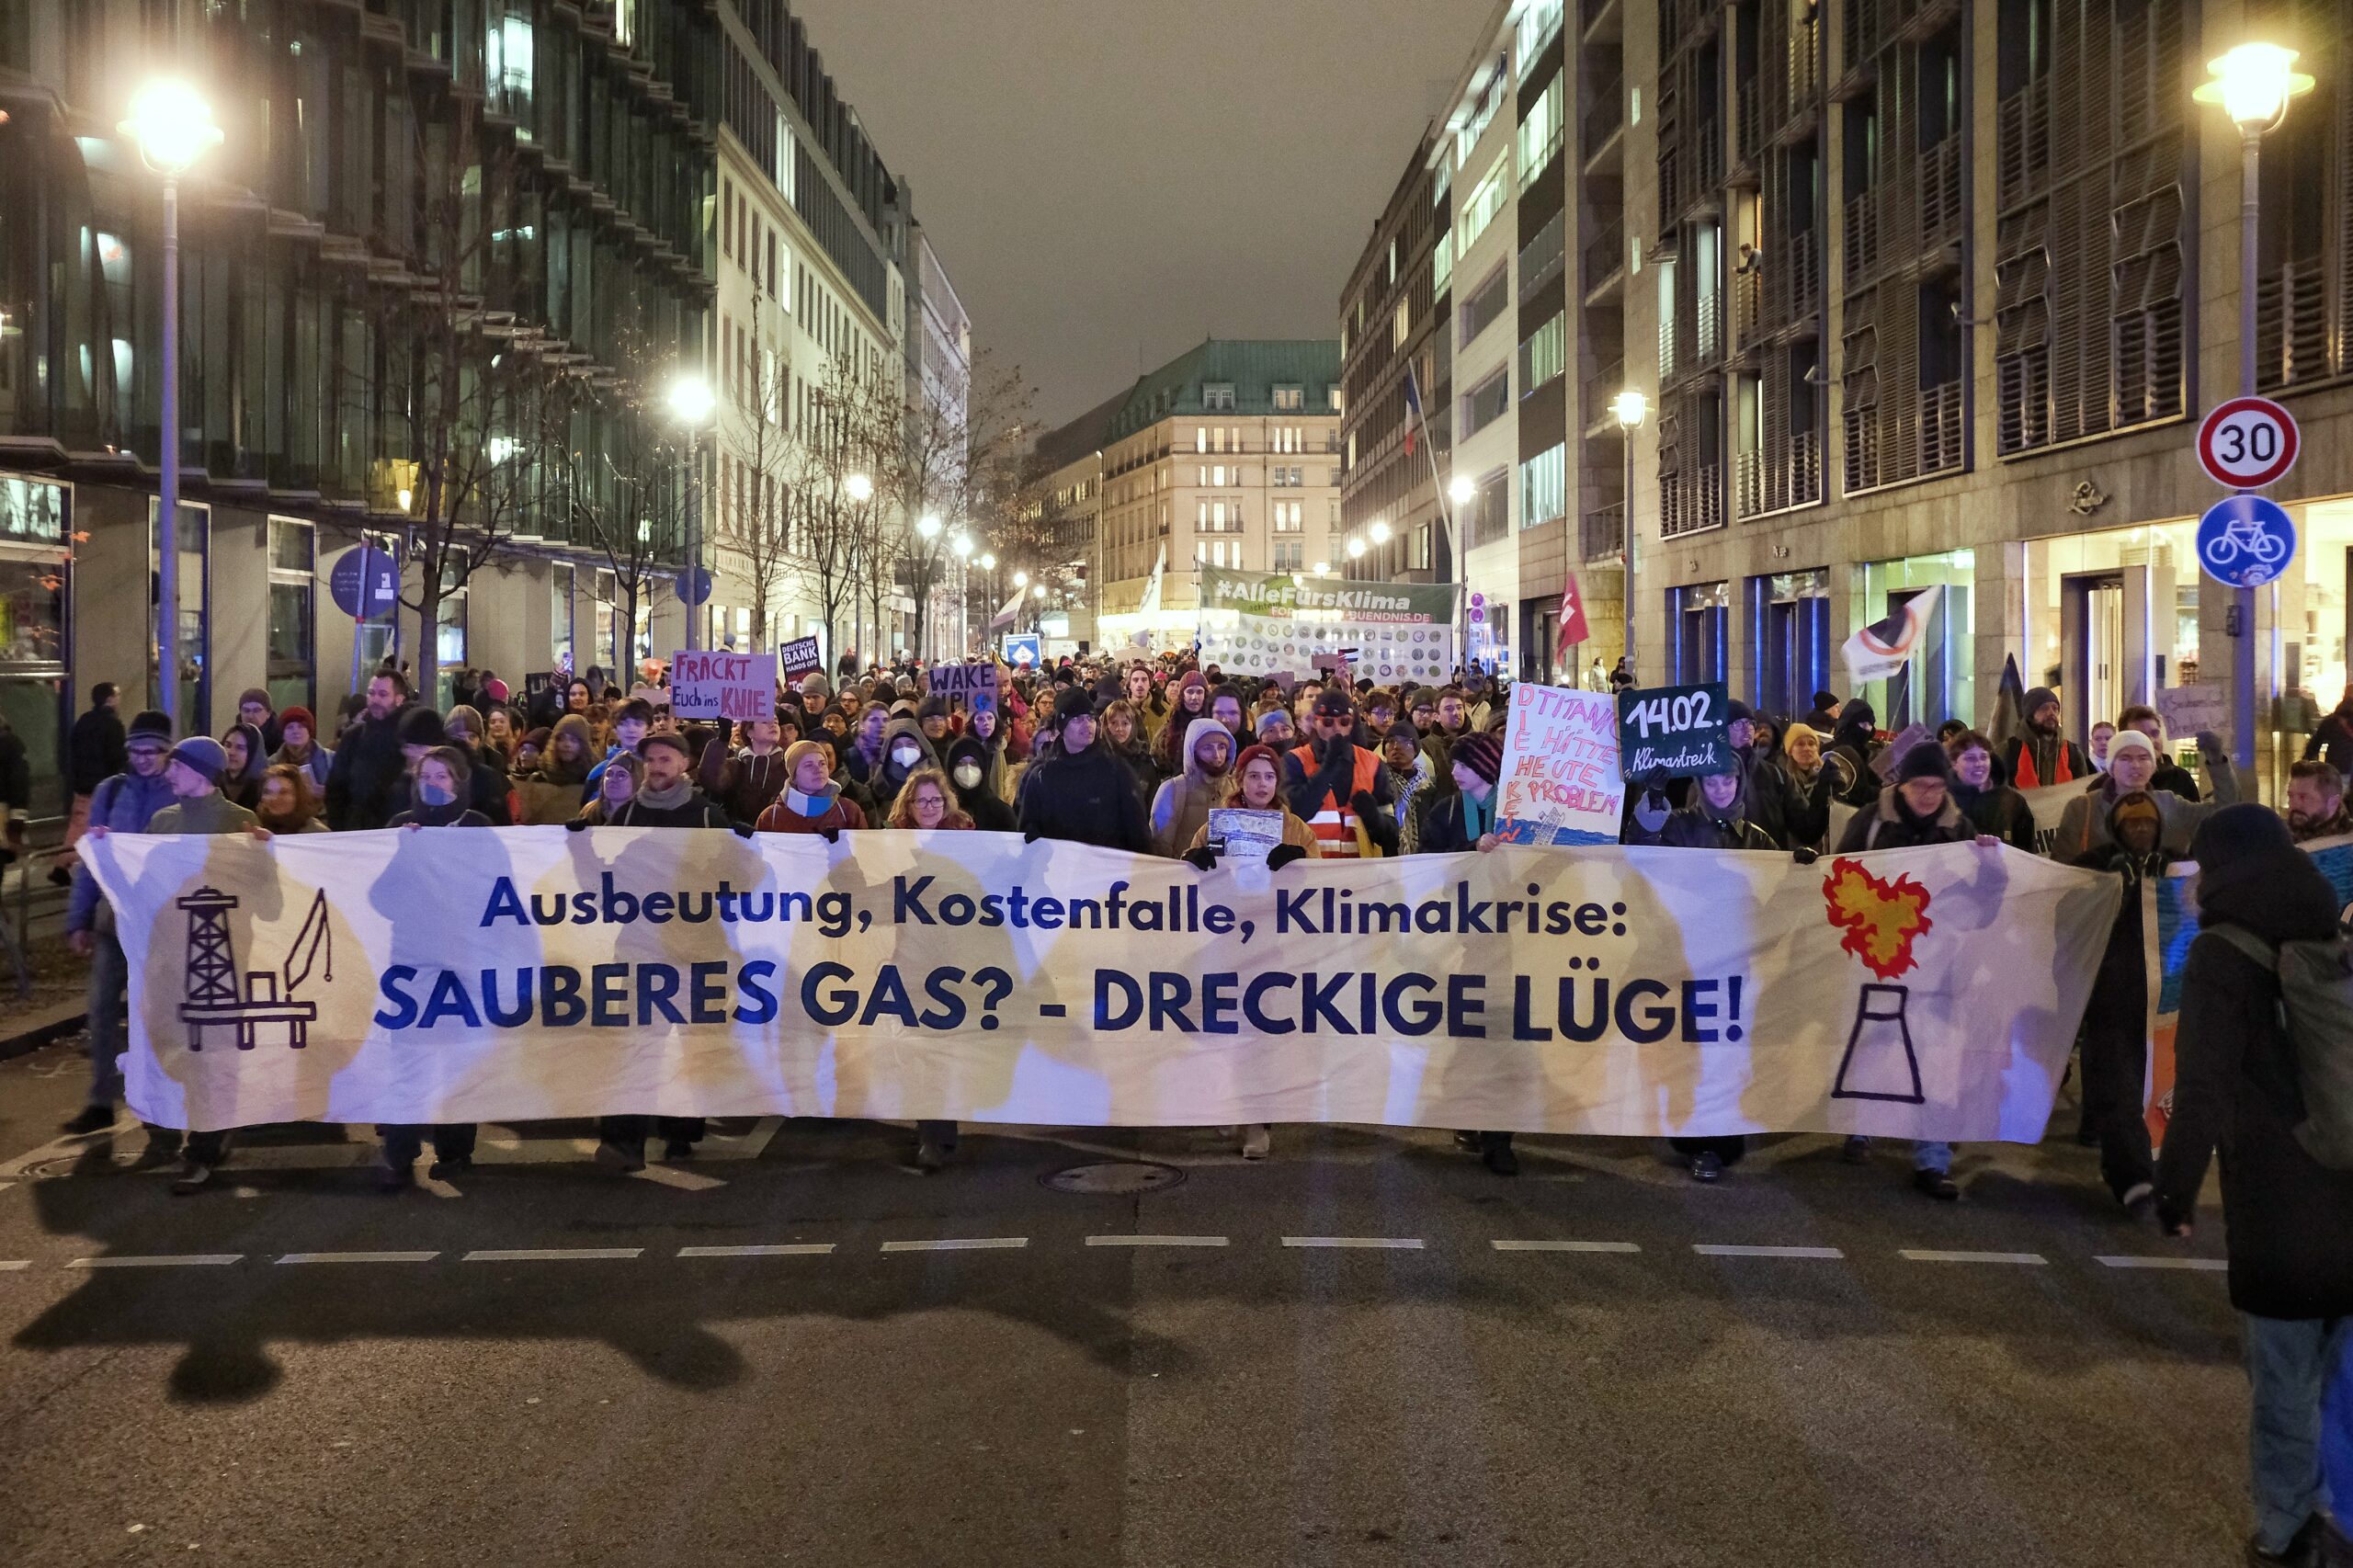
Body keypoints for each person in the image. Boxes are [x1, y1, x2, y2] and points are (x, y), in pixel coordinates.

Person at [2156, 805, 2353, 1568]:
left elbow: (2201, 1087)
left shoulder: (2221, 951)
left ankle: (2285, 1530)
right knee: (2345, 1377)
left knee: (2283, 1378)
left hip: (2280, 1193)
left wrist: (2173, 1194)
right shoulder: (2331, 934)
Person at [1835, 743, 1995, 1200]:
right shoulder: (1870, 821)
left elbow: (1982, 904)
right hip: (1880, 955)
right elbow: (1842, 878)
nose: (1929, 795)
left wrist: (1991, 867)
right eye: (1920, 785)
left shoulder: (1960, 827)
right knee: (1873, 1041)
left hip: (1937, 957)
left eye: (1938, 786)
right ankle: (1862, 1125)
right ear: (1900, 785)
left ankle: (1932, 1156)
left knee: (1936, 1054)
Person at [113, 736, 265, 1194]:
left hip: (224, 958)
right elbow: (145, 884)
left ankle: (203, 1145)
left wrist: (265, 854)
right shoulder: (163, 821)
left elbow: (260, 894)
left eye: (175, 765)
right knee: (173, 1045)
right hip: (170, 956)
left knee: (213, 1052)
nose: (166, 772)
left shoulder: (238, 822)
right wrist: (109, 853)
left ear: (200, 772)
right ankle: (190, 1125)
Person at [585, 732, 728, 1172]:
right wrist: (578, 844)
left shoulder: (706, 816)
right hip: (638, 945)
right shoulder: (626, 814)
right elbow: (600, 874)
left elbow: (736, 876)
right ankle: (622, 1141)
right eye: (651, 760)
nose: (657, 767)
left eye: (666, 758)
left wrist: (742, 846)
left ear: (684, 764)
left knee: (689, 1040)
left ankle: (680, 1129)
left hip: (692, 948)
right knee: (632, 1042)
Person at [372, 745, 490, 1187]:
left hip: (462, 962)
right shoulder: (401, 828)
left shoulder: (478, 828)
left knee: (457, 1059)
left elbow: (496, 891)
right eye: (426, 776)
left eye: (442, 776)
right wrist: (407, 853)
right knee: (408, 1058)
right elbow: (378, 899)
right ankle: (399, 1152)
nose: (433, 784)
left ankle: (456, 1151)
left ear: (459, 783)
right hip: (411, 964)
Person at [61, 710, 179, 1145]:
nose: (144, 759)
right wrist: (78, 920)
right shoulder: (112, 792)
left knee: (154, 1015)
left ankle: (158, 1102)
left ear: (168, 752)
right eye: (136, 750)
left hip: (162, 927)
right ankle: (100, 1100)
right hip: (114, 921)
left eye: (152, 751)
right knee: (101, 1007)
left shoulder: (180, 790)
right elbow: (94, 862)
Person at [1659, 765, 1779, 1183]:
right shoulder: (1679, 825)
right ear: (1699, 786)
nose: (1722, 789)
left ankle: (1716, 1140)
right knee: (1691, 1049)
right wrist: (1654, 798)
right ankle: (1695, 1137)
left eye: (1729, 781)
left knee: (1725, 1054)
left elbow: (1778, 895)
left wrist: (1800, 868)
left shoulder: (1757, 838)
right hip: (1688, 956)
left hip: (1734, 962)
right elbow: (1645, 855)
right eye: (1712, 782)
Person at [1417, 733, 1517, 1175]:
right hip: (1462, 936)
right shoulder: (1445, 811)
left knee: (1504, 1036)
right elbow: (1425, 863)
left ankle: (1499, 1136)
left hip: (1516, 936)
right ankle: (1468, 1119)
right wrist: (1467, 852)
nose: (1453, 771)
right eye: (1453, 764)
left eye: (1463, 764)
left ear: (1485, 766)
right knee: (1467, 1031)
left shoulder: (1519, 811)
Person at [2068, 790, 2166, 1216]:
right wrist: (2114, 891)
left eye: (2149, 823)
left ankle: (2149, 1171)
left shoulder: (2174, 865)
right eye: (2133, 824)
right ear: (2118, 828)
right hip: (2110, 1002)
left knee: (2157, 1096)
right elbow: (2069, 917)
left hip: (2162, 1007)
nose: (2142, 830)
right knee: (2118, 1096)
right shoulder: (2095, 866)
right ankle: (2133, 1179)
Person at [2050, 729, 2237, 862]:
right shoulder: (2082, 808)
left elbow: (2225, 811)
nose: (2135, 765)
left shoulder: (2171, 804)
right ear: (2111, 766)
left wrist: (2216, 760)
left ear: (2153, 765)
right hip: (2104, 909)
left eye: (2143, 758)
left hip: (2161, 907)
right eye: (2125, 758)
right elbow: (2063, 867)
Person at [1016, 688, 1151, 852]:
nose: (1087, 724)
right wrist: (1033, 835)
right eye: (1077, 719)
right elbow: (1026, 826)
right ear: (1062, 727)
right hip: (1059, 869)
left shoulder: (1117, 771)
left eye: (1090, 718)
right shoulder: (1043, 776)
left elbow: (1138, 833)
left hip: (1105, 872)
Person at [1283, 687, 1395, 858]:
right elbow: (1294, 815)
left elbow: (1392, 836)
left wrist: (1374, 817)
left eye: (1344, 722)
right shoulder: (1295, 760)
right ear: (1315, 722)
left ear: (1351, 724)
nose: (1336, 728)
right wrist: (1327, 769)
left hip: (1360, 874)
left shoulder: (1372, 763)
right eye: (1328, 722)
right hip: (1312, 871)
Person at [325, 669, 412, 830]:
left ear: (399, 699)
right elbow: (336, 787)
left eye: (383, 694)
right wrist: (340, 828)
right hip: (357, 831)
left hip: (397, 830)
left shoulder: (409, 738)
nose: (375, 699)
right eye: (371, 693)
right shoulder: (353, 736)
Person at [60, 682, 126, 880]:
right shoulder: (113, 724)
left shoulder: (84, 720)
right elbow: (117, 757)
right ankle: (68, 866)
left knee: (78, 823)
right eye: (117, 695)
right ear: (110, 699)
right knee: (96, 826)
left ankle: (63, 864)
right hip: (102, 785)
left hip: (82, 784)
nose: (119, 700)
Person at [1150, 717, 1234, 858]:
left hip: (1223, 877)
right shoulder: (1173, 790)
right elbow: (1160, 848)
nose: (1217, 755)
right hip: (1182, 876)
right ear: (1192, 751)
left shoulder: (1235, 787)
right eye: (1207, 748)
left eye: (1221, 747)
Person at [753, 740, 869, 835]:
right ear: (794, 775)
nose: (818, 769)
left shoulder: (848, 811)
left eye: (822, 763)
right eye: (809, 765)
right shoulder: (771, 817)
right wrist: (746, 841)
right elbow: (758, 859)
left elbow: (865, 853)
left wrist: (844, 845)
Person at [1947, 730, 2036, 851]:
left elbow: (2026, 855)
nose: (1979, 764)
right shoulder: (1944, 800)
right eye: (1970, 758)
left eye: (1984, 757)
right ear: (1954, 763)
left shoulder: (2013, 802)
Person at [699, 714, 790, 825]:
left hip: (776, 836)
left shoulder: (788, 768)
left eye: (776, 722)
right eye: (765, 722)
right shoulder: (735, 766)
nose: (773, 725)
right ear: (749, 731)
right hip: (735, 835)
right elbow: (710, 780)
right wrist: (722, 739)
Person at [2002, 686, 2091, 790]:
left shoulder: (2073, 752)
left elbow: (2082, 792)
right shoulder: (2009, 750)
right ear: (2030, 715)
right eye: (2044, 708)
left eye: (2055, 708)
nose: (2051, 713)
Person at [516, 714, 596, 824]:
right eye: (561, 739)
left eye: (573, 740)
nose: (567, 744)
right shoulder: (539, 779)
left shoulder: (593, 780)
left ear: (584, 744)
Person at [2115, 704, 2200, 801]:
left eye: (2155, 733)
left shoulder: (2181, 778)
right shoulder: (2109, 783)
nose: (2151, 741)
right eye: (2142, 736)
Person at [1776, 722, 1836, 852]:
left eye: (1811, 743)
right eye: (1800, 744)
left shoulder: (1828, 776)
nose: (1807, 748)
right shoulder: (1785, 781)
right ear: (1790, 750)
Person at [582, 698, 654, 800]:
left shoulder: (656, 768)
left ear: (650, 727)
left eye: (638, 724)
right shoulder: (601, 771)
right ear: (614, 728)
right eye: (623, 724)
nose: (631, 729)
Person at [1381, 718, 1434, 855]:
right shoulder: (1378, 784)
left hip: (1420, 860)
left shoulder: (1428, 789)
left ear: (1416, 749)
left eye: (1405, 741)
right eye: (1390, 741)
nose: (1396, 746)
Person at [945, 734, 1016, 832]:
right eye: (961, 763)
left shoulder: (1001, 813)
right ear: (950, 769)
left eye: (974, 763)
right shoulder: (941, 812)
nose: (968, 769)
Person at [1152, 671, 1211, 776]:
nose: (1194, 697)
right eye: (1190, 692)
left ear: (1205, 695)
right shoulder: (1168, 730)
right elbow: (1157, 761)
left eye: (1199, 692)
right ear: (1182, 695)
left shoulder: (1212, 726)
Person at [2285, 759, 2353, 845]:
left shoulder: (2349, 846)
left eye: (2304, 797)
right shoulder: (2278, 838)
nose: (2294, 804)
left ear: (2333, 803)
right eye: (2291, 796)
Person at [271, 705, 334, 796]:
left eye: (301, 726)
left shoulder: (330, 759)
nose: (295, 731)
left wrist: (328, 793)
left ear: (309, 732)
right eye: (289, 727)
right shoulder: (271, 763)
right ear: (283, 734)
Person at [255, 764, 330, 835]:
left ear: (299, 796)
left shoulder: (317, 833)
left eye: (283, 792)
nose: (274, 798)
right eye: (268, 792)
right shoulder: (255, 825)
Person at [2302, 686, 2353, 775]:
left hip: (2335, 770)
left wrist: (2307, 764)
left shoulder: (2332, 720)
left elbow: (2314, 744)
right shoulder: (2333, 720)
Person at [219, 721, 267, 812]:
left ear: (253, 753)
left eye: (240, 748)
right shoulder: (212, 783)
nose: (231, 752)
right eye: (228, 745)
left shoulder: (264, 788)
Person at [235, 687, 283, 755]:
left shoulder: (281, 741)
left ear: (268, 713)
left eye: (256, 710)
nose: (250, 716)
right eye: (246, 710)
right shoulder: (233, 739)